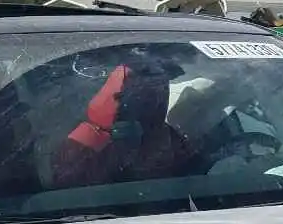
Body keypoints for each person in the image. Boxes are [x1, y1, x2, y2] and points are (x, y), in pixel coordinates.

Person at [52, 60, 202, 189]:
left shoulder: (169, 136)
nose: (157, 100)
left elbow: (196, 171)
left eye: (161, 91)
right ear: (118, 97)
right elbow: (72, 190)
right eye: (145, 94)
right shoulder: (85, 143)